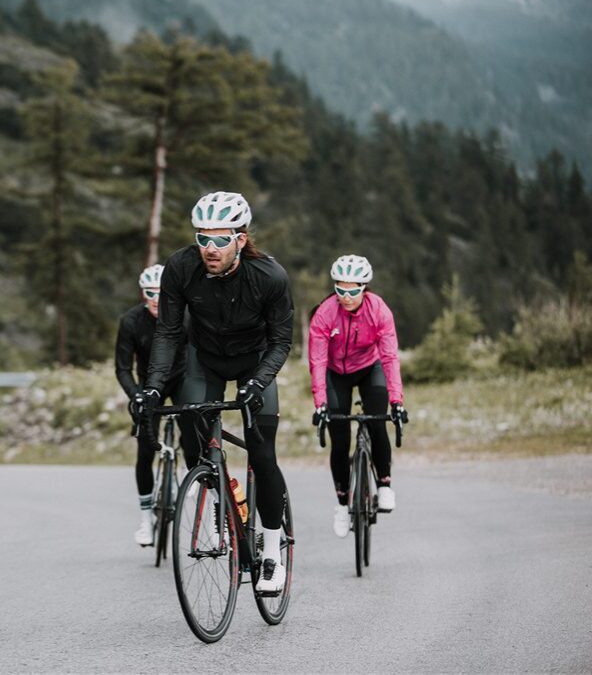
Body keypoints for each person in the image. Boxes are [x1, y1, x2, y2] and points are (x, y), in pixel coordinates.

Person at [132, 191, 294, 595]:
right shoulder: (181, 267)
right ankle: (221, 490)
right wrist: (152, 389)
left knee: (261, 451)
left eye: (220, 239)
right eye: (202, 237)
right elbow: (168, 333)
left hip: (255, 362)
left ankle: (271, 551)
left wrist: (258, 382)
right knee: (194, 434)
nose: (210, 248)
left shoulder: (269, 276)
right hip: (204, 359)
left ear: (240, 239)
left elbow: (280, 341)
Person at [308, 254, 409, 538]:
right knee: (339, 440)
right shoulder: (326, 313)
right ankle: (342, 505)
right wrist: (321, 405)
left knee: (377, 422)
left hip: (369, 367)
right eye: (340, 289)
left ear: (365, 287)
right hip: (335, 373)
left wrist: (397, 401)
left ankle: (385, 484)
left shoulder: (379, 311)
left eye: (353, 290)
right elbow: (317, 360)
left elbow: (390, 357)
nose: (346, 296)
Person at [115, 264, 189, 546]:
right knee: (145, 448)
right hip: (149, 383)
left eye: (163, 293)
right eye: (150, 293)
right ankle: (146, 518)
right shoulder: (131, 321)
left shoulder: (185, 317)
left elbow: (197, 354)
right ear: (142, 294)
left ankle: (189, 470)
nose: (157, 299)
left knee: (193, 429)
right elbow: (122, 368)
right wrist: (135, 394)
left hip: (181, 378)